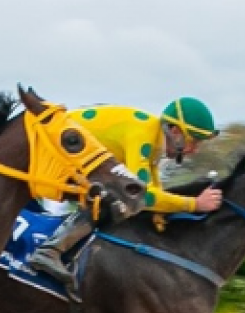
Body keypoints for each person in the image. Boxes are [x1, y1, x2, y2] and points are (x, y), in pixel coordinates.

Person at [28, 96, 222, 285]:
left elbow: (153, 189)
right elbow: (144, 196)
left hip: (75, 157)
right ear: (175, 131)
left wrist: (161, 215)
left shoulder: (153, 141)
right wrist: (194, 204)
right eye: (194, 141)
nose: (195, 150)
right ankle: (50, 251)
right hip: (53, 150)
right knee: (117, 200)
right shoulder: (142, 136)